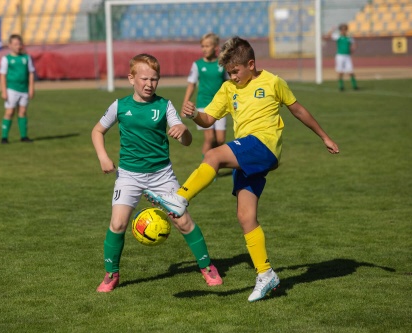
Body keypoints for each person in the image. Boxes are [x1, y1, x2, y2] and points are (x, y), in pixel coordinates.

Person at [144, 37, 339, 302]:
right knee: (245, 216)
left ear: (251, 64)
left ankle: (180, 198)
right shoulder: (227, 89)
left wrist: (324, 137)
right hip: (246, 154)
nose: (233, 76)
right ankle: (266, 273)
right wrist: (194, 115)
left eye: (236, 71)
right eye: (229, 72)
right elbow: (209, 119)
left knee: (213, 154)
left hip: (263, 146)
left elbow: (298, 110)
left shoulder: (273, 82)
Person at [91, 53, 222, 293]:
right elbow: (97, 131)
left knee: (183, 221)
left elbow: (187, 142)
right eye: (144, 79)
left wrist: (183, 130)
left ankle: (207, 266)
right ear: (131, 78)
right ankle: (111, 274)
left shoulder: (164, 106)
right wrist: (103, 156)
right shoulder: (120, 106)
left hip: (162, 175)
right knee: (118, 223)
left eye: (154, 79)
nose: (149, 84)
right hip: (129, 175)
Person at [183, 33, 229, 156]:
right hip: (204, 104)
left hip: (220, 105)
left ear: (215, 47)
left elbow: (229, 84)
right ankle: (207, 169)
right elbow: (191, 85)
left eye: (207, 46)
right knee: (209, 138)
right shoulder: (197, 65)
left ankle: (212, 160)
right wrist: (185, 103)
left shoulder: (222, 64)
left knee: (220, 140)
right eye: (202, 46)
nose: (204, 49)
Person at [0, 34, 35, 144]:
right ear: (9, 45)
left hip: (24, 89)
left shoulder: (26, 58)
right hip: (11, 89)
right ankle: (4, 137)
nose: (18, 46)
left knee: (23, 112)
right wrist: (4, 91)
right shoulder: (6, 59)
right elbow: (2, 75)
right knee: (10, 112)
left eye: (19, 44)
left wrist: (31, 88)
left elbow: (31, 73)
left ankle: (23, 136)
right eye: (15, 44)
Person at [332, 23, 359, 91]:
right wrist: (333, 29)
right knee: (340, 71)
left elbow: (354, 44)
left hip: (347, 56)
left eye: (345, 30)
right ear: (340, 30)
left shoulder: (349, 37)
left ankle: (354, 85)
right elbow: (329, 35)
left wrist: (353, 49)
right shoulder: (338, 37)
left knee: (351, 71)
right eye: (342, 30)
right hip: (340, 56)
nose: (344, 31)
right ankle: (341, 86)